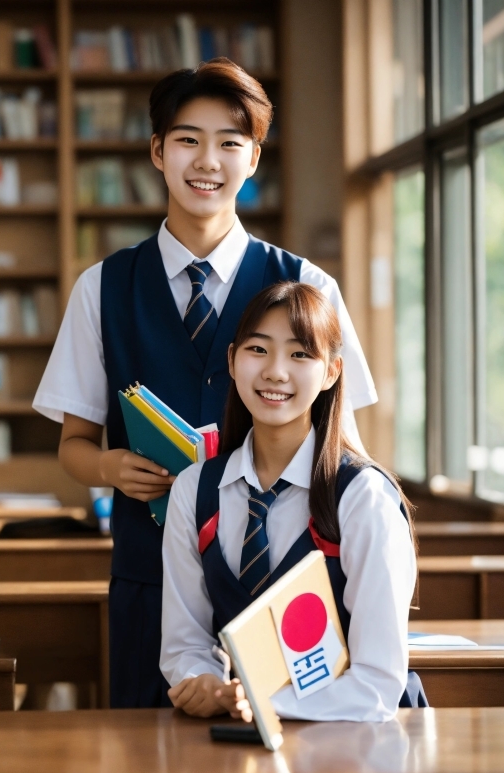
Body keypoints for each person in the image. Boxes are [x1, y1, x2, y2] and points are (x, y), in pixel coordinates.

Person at [33, 58, 378, 709]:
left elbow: (345, 449)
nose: (207, 161)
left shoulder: (308, 288)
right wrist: (109, 467)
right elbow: (73, 444)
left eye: (230, 142)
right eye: (188, 139)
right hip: (149, 581)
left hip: (283, 589)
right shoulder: (103, 288)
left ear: (253, 158)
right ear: (158, 150)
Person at [161, 281, 426, 722]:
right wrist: (202, 681)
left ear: (332, 372)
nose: (276, 372)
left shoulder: (364, 499)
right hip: (243, 737)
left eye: (300, 354)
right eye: (258, 350)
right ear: (231, 360)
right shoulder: (194, 491)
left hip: (362, 739)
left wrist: (266, 703)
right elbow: (185, 643)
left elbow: (377, 683)